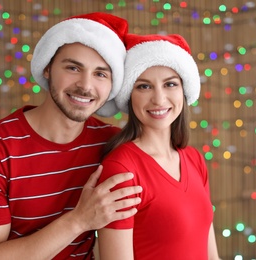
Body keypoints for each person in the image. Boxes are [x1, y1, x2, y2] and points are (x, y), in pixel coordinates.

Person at [0, 13, 143, 260]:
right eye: (73, 68)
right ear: (47, 67)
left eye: (100, 74)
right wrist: (79, 220)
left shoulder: (112, 144)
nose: (85, 85)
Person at [97, 33, 220, 259]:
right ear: (129, 96)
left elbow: (211, 254)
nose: (159, 99)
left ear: (183, 90)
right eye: (144, 87)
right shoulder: (121, 168)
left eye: (170, 84)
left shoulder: (194, 159)